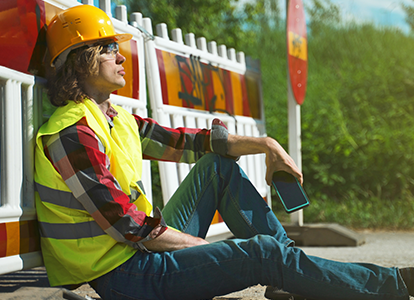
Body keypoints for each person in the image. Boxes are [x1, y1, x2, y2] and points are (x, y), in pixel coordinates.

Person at [33, 4, 414, 300]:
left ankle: (291, 274)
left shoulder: (116, 118)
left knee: (216, 167)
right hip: (126, 279)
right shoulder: (72, 134)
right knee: (260, 253)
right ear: (82, 60)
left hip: (140, 255)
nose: (121, 57)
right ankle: (394, 284)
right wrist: (208, 251)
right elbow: (129, 226)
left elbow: (194, 142)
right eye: (110, 49)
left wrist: (267, 145)